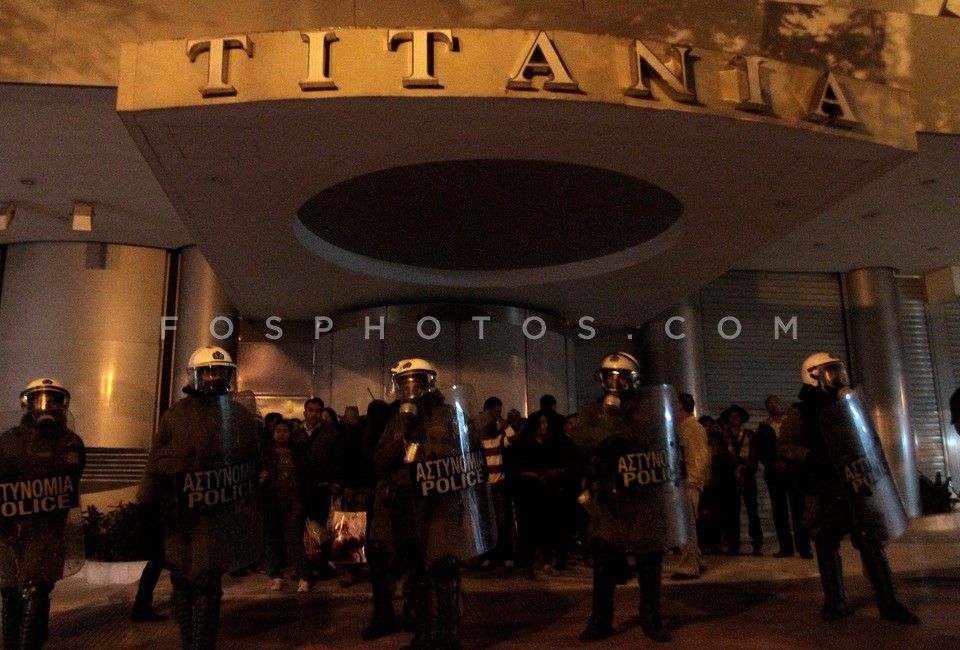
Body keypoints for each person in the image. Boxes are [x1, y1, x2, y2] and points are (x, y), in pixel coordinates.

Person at [362, 359, 495, 647]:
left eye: (417, 382)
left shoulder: (448, 415)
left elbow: (470, 453)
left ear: (429, 383)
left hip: (437, 502)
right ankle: (420, 627)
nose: (412, 389)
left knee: (443, 564)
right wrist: (402, 441)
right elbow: (379, 461)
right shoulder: (396, 420)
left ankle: (449, 634)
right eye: (406, 383)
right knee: (411, 563)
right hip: (402, 502)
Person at [779, 352, 919, 624]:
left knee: (870, 541)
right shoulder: (801, 411)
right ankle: (835, 602)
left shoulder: (847, 404)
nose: (838, 378)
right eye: (830, 372)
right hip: (822, 485)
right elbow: (784, 446)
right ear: (813, 375)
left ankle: (890, 604)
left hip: (855, 482)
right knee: (826, 542)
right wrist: (808, 456)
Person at [140, 346, 263, 649]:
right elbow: (156, 461)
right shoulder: (175, 415)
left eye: (219, 371)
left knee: (207, 581)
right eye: (207, 371)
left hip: (217, 513)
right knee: (182, 580)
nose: (213, 377)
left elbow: (250, 461)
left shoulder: (237, 413)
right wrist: (146, 502)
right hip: (180, 513)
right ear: (195, 376)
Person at [571, 353, 692, 643]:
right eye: (608, 376)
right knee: (603, 557)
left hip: (642, 495)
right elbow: (579, 436)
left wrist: (624, 437)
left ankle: (651, 617)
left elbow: (661, 440)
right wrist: (605, 440)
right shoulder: (592, 410)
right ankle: (601, 619)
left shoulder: (646, 410)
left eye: (621, 376)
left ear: (633, 379)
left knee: (650, 559)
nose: (614, 383)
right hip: (609, 497)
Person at [0, 378, 85, 649]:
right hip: (12, 529)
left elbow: (71, 479)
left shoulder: (71, 442)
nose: (46, 406)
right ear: (28, 403)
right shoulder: (10, 440)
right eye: (39, 399)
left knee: (37, 591)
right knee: (10, 593)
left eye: (53, 400)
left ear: (63, 405)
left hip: (46, 531)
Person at [753, 395, 811, 559]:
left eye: (775, 402)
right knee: (779, 511)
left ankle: (803, 547)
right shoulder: (764, 427)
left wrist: (789, 460)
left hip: (793, 469)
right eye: (769, 403)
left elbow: (798, 442)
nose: (773, 405)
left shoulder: (790, 421)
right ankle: (786, 548)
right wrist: (772, 463)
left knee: (798, 509)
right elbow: (762, 449)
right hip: (774, 472)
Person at [260, 419, 311, 594]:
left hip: (293, 501)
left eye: (285, 431)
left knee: (294, 540)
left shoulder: (297, 453)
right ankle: (275, 576)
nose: (282, 434)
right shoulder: (265, 454)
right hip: (272, 501)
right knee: (272, 540)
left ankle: (303, 576)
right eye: (278, 431)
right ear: (273, 433)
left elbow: (305, 475)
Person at [671, 393, 710, 580]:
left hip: (688, 483)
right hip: (684, 482)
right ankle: (697, 561)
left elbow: (699, 457)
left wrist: (692, 481)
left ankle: (689, 566)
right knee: (684, 525)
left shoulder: (693, 428)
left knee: (684, 525)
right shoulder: (683, 428)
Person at [719, 404, 763, 555]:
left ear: (742, 418)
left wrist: (744, 463)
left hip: (748, 476)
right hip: (731, 477)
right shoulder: (724, 436)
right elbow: (722, 455)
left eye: (737, 416)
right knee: (732, 512)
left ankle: (757, 543)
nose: (734, 418)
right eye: (731, 416)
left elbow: (755, 455)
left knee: (752, 511)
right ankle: (733, 544)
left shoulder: (750, 434)